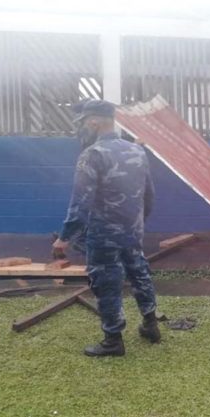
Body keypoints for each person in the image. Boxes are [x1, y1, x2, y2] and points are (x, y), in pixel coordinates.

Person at [52, 99, 160, 357]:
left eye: (83, 124)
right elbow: (149, 194)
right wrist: (138, 223)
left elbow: (80, 202)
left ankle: (113, 340)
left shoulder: (92, 155)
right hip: (133, 230)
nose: (81, 130)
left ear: (93, 122)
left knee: (106, 280)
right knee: (139, 273)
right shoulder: (136, 151)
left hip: (103, 233)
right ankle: (151, 325)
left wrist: (64, 238)